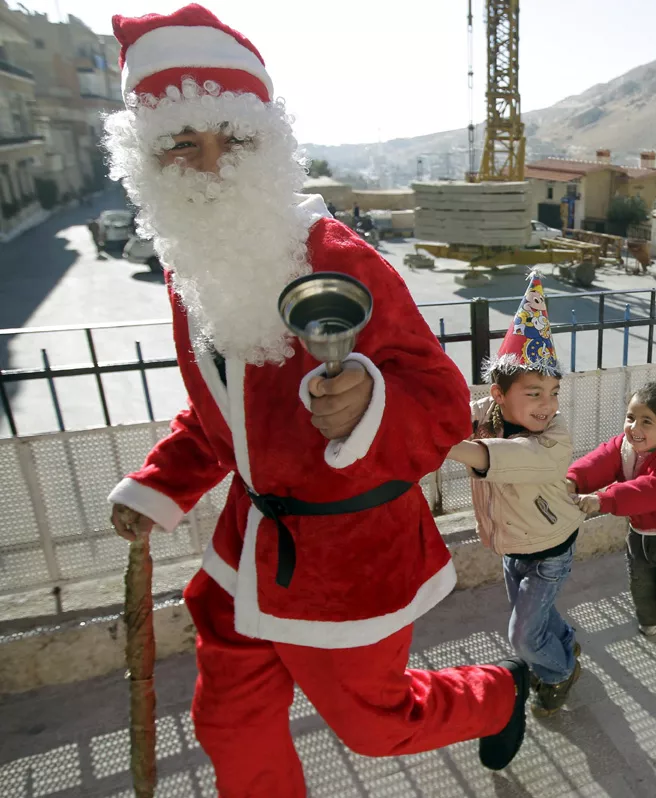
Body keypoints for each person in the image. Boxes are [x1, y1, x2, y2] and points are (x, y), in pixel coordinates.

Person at [102, 6, 528, 794]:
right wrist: (161, 485)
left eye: (232, 140)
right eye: (183, 145)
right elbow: (221, 414)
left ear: (268, 142)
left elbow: (439, 403)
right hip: (247, 550)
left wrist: (371, 400)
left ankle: (497, 696)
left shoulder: (338, 258)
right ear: (149, 160)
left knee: (374, 725)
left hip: (349, 556)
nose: (210, 167)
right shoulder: (190, 263)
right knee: (230, 727)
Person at [445, 272, 586, 716]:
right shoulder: (486, 414)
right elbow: (452, 420)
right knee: (535, 619)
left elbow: (503, 458)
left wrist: (441, 445)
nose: (548, 404)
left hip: (549, 552)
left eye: (553, 392)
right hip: (512, 546)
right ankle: (565, 643)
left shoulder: (554, 438)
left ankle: (560, 672)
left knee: (522, 637)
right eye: (534, 393)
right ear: (498, 395)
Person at [568, 383, 656, 640]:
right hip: (640, 532)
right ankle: (653, 617)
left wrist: (603, 499)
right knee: (641, 583)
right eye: (631, 418)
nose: (634, 428)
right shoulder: (626, 447)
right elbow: (600, 460)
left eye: (646, 422)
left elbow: (650, 490)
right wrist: (573, 480)